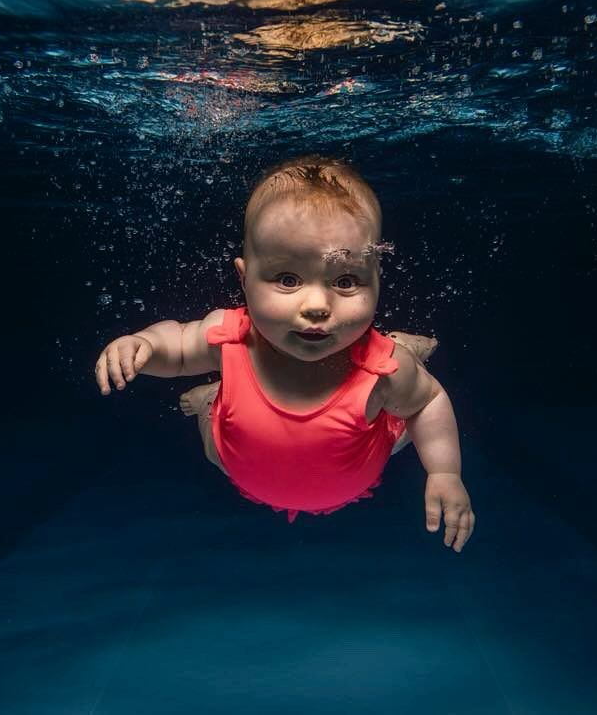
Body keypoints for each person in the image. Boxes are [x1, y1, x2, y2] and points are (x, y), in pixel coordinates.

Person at [95, 155, 474, 552]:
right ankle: (211, 397)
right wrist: (146, 344)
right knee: (213, 439)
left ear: (376, 279)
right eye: (288, 279)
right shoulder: (231, 337)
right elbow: (177, 346)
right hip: (239, 464)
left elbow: (427, 402)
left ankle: (404, 344)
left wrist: (444, 471)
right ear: (244, 278)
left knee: (401, 411)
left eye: (346, 281)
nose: (316, 305)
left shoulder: (382, 371)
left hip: (361, 460)